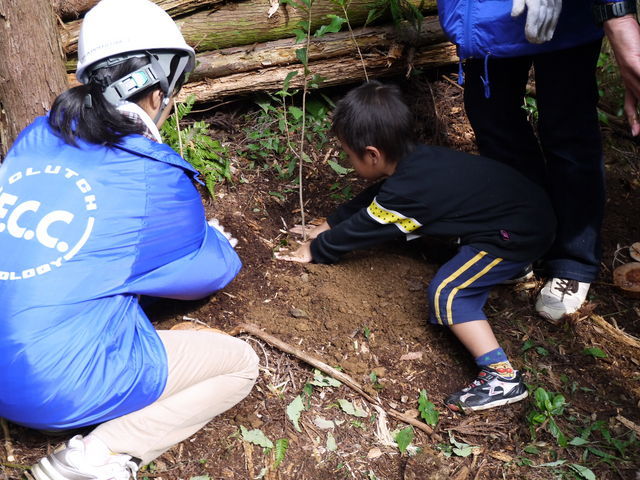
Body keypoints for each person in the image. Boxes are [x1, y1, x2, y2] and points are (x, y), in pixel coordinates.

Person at [0, 1, 258, 479]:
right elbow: (213, 272)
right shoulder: (154, 175)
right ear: (156, 91)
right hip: (44, 385)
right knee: (239, 365)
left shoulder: (37, 134)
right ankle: (97, 459)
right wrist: (212, 238)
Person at [277, 81, 556, 412]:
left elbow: (370, 224)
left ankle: (502, 377)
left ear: (372, 154)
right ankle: (512, 268)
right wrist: (330, 223)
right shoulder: (417, 163)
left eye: (348, 156)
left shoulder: (409, 191)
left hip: (515, 235)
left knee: (448, 293)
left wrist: (318, 248)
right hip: (523, 213)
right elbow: (377, 201)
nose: (348, 161)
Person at [437, 0, 640, 322]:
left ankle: (574, 258)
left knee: (568, 129)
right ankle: (523, 236)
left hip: (566, 18)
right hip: (483, 17)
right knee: (494, 123)